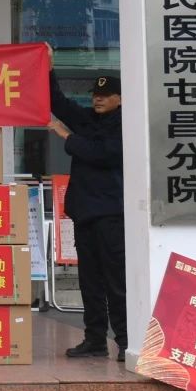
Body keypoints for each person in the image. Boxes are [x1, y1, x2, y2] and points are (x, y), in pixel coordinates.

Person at [49, 64, 125, 362]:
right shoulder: (88, 119)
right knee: (89, 281)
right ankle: (94, 340)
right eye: (95, 94)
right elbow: (58, 103)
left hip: (111, 214)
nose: (98, 99)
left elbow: (103, 154)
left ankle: (125, 341)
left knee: (116, 281)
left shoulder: (125, 124)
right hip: (84, 212)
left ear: (120, 98)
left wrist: (67, 137)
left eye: (105, 95)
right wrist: (48, 67)